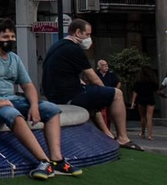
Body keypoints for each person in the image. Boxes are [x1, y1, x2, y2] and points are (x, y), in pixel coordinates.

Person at [0, 17, 81, 179]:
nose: (10, 40)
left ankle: (57, 160)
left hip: (9, 98)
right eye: (5, 37)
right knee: (15, 116)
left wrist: (34, 106)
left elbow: (27, 85)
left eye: (12, 37)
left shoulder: (14, 58)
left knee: (52, 110)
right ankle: (43, 161)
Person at [42, 19, 140, 151]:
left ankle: (108, 135)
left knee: (93, 96)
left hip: (55, 95)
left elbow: (66, 74)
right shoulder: (74, 49)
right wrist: (107, 94)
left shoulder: (57, 46)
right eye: (87, 35)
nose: (89, 38)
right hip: (69, 96)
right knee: (117, 94)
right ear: (78, 32)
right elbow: (94, 79)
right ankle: (123, 138)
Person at [130, 67, 158, 140]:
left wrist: (133, 102)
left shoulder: (139, 81)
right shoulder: (152, 81)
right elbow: (156, 90)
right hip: (150, 99)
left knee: (142, 117)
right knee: (149, 117)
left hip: (141, 99)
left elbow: (135, 92)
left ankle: (143, 133)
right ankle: (149, 135)